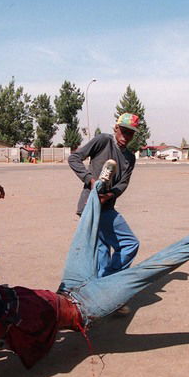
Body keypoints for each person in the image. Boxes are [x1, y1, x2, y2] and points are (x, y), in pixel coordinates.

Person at [0, 171, 189, 369]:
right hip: (88, 306)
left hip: (69, 285)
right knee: (150, 269)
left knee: (83, 233)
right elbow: (25, 347)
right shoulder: (15, 339)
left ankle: (98, 188)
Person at [68, 113, 141, 283]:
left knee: (102, 251)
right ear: (116, 128)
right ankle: (107, 283)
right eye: (123, 131)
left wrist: (110, 195)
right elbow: (74, 158)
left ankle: (100, 285)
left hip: (106, 205)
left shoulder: (129, 157)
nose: (126, 136)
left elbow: (123, 183)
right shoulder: (103, 141)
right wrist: (91, 180)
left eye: (130, 133)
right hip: (91, 205)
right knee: (129, 244)